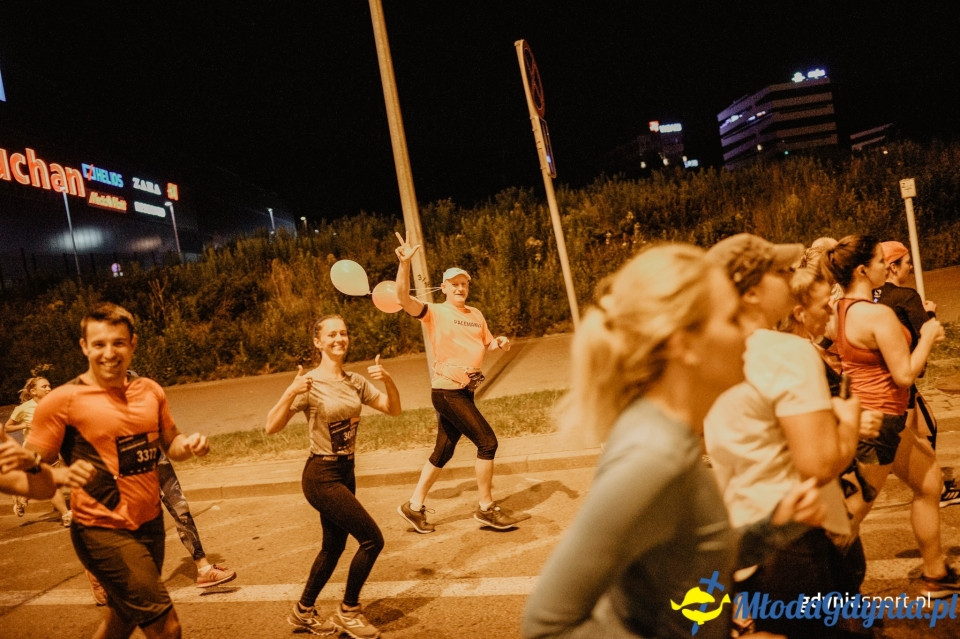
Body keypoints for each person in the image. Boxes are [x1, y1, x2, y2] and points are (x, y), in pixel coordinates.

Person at [522, 243, 820, 638]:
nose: (749, 329)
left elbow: (686, 561)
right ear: (685, 344)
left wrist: (772, 530)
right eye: (732, 318)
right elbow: (546, 627)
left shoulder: (672, 438)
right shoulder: (656, 457)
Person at [703, 233, 864, 638]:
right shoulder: (786, 352)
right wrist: (848, 422)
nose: (793, 277)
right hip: (793, 536)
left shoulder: (702, 355)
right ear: (751, 292)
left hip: (741, 538)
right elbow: (818, 465)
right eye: (781, 271)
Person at [26, 302, 212, 639]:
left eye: (118, 343)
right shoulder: (62, 402)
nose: (109, 353)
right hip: (102, 531)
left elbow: (171, 441)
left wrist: (189, 445)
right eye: (99, 344)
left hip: (149, 524)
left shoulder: (150, 390)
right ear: (84, 346)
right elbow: (29, 468)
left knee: (121, 620)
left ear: (133, 344)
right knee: (167, 628)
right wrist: (42, 472)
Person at [824, 234, 956, 599]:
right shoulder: (876, 314)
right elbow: (904, 375)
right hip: (878, 422)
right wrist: (927, 335)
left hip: (882, 418)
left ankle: (935, 574)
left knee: (929, 482)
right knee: (849, 518)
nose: (887, 267)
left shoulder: (840, 309)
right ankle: (808, 595)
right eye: (881, 261)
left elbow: (831, 352)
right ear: (863, 270)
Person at [266, 314, 400, 639]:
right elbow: (271, 426)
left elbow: (393, 409)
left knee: (333, 546)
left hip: (345, 470)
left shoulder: (355, 381)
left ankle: (303, 611)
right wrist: (290, 392)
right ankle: (349, 611)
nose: (339, 339)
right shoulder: (309, 384)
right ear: (318, 342)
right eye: (332, 334)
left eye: (344, 333)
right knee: (372, 540)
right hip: (321, 474)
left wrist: (388, 381)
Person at [393, 231, 520, 533]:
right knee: (487, 442)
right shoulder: (435, 312)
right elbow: (402, 299)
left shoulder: (476, 314)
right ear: (444, 288)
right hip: (447, 392)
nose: (461, 288)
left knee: (444, 451)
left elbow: (487, 343)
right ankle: (486, 508)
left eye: (464, 284)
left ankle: (413, 506)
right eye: (455, 284)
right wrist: (404, 264)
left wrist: (499, 342)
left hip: (465, 391)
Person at [873, 241, 957, 507]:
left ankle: (934, 485)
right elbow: (928, 334)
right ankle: (930, 487)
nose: (910, 267)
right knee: (903, 438)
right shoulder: (905, 297)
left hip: (879, 377)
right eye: (907, 262)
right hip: (903, 375)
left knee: (924, 427)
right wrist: (930, 313)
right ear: (892, 266)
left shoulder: (867, 298)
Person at [4, 376, 73, 525]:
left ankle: (21, 500)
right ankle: (66, 515)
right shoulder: (24, 408)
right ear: (33, 391)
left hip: (52, 451)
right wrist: (24, 425)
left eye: (49, 386)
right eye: (44, 386)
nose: (49, 389)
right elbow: (7, 427)